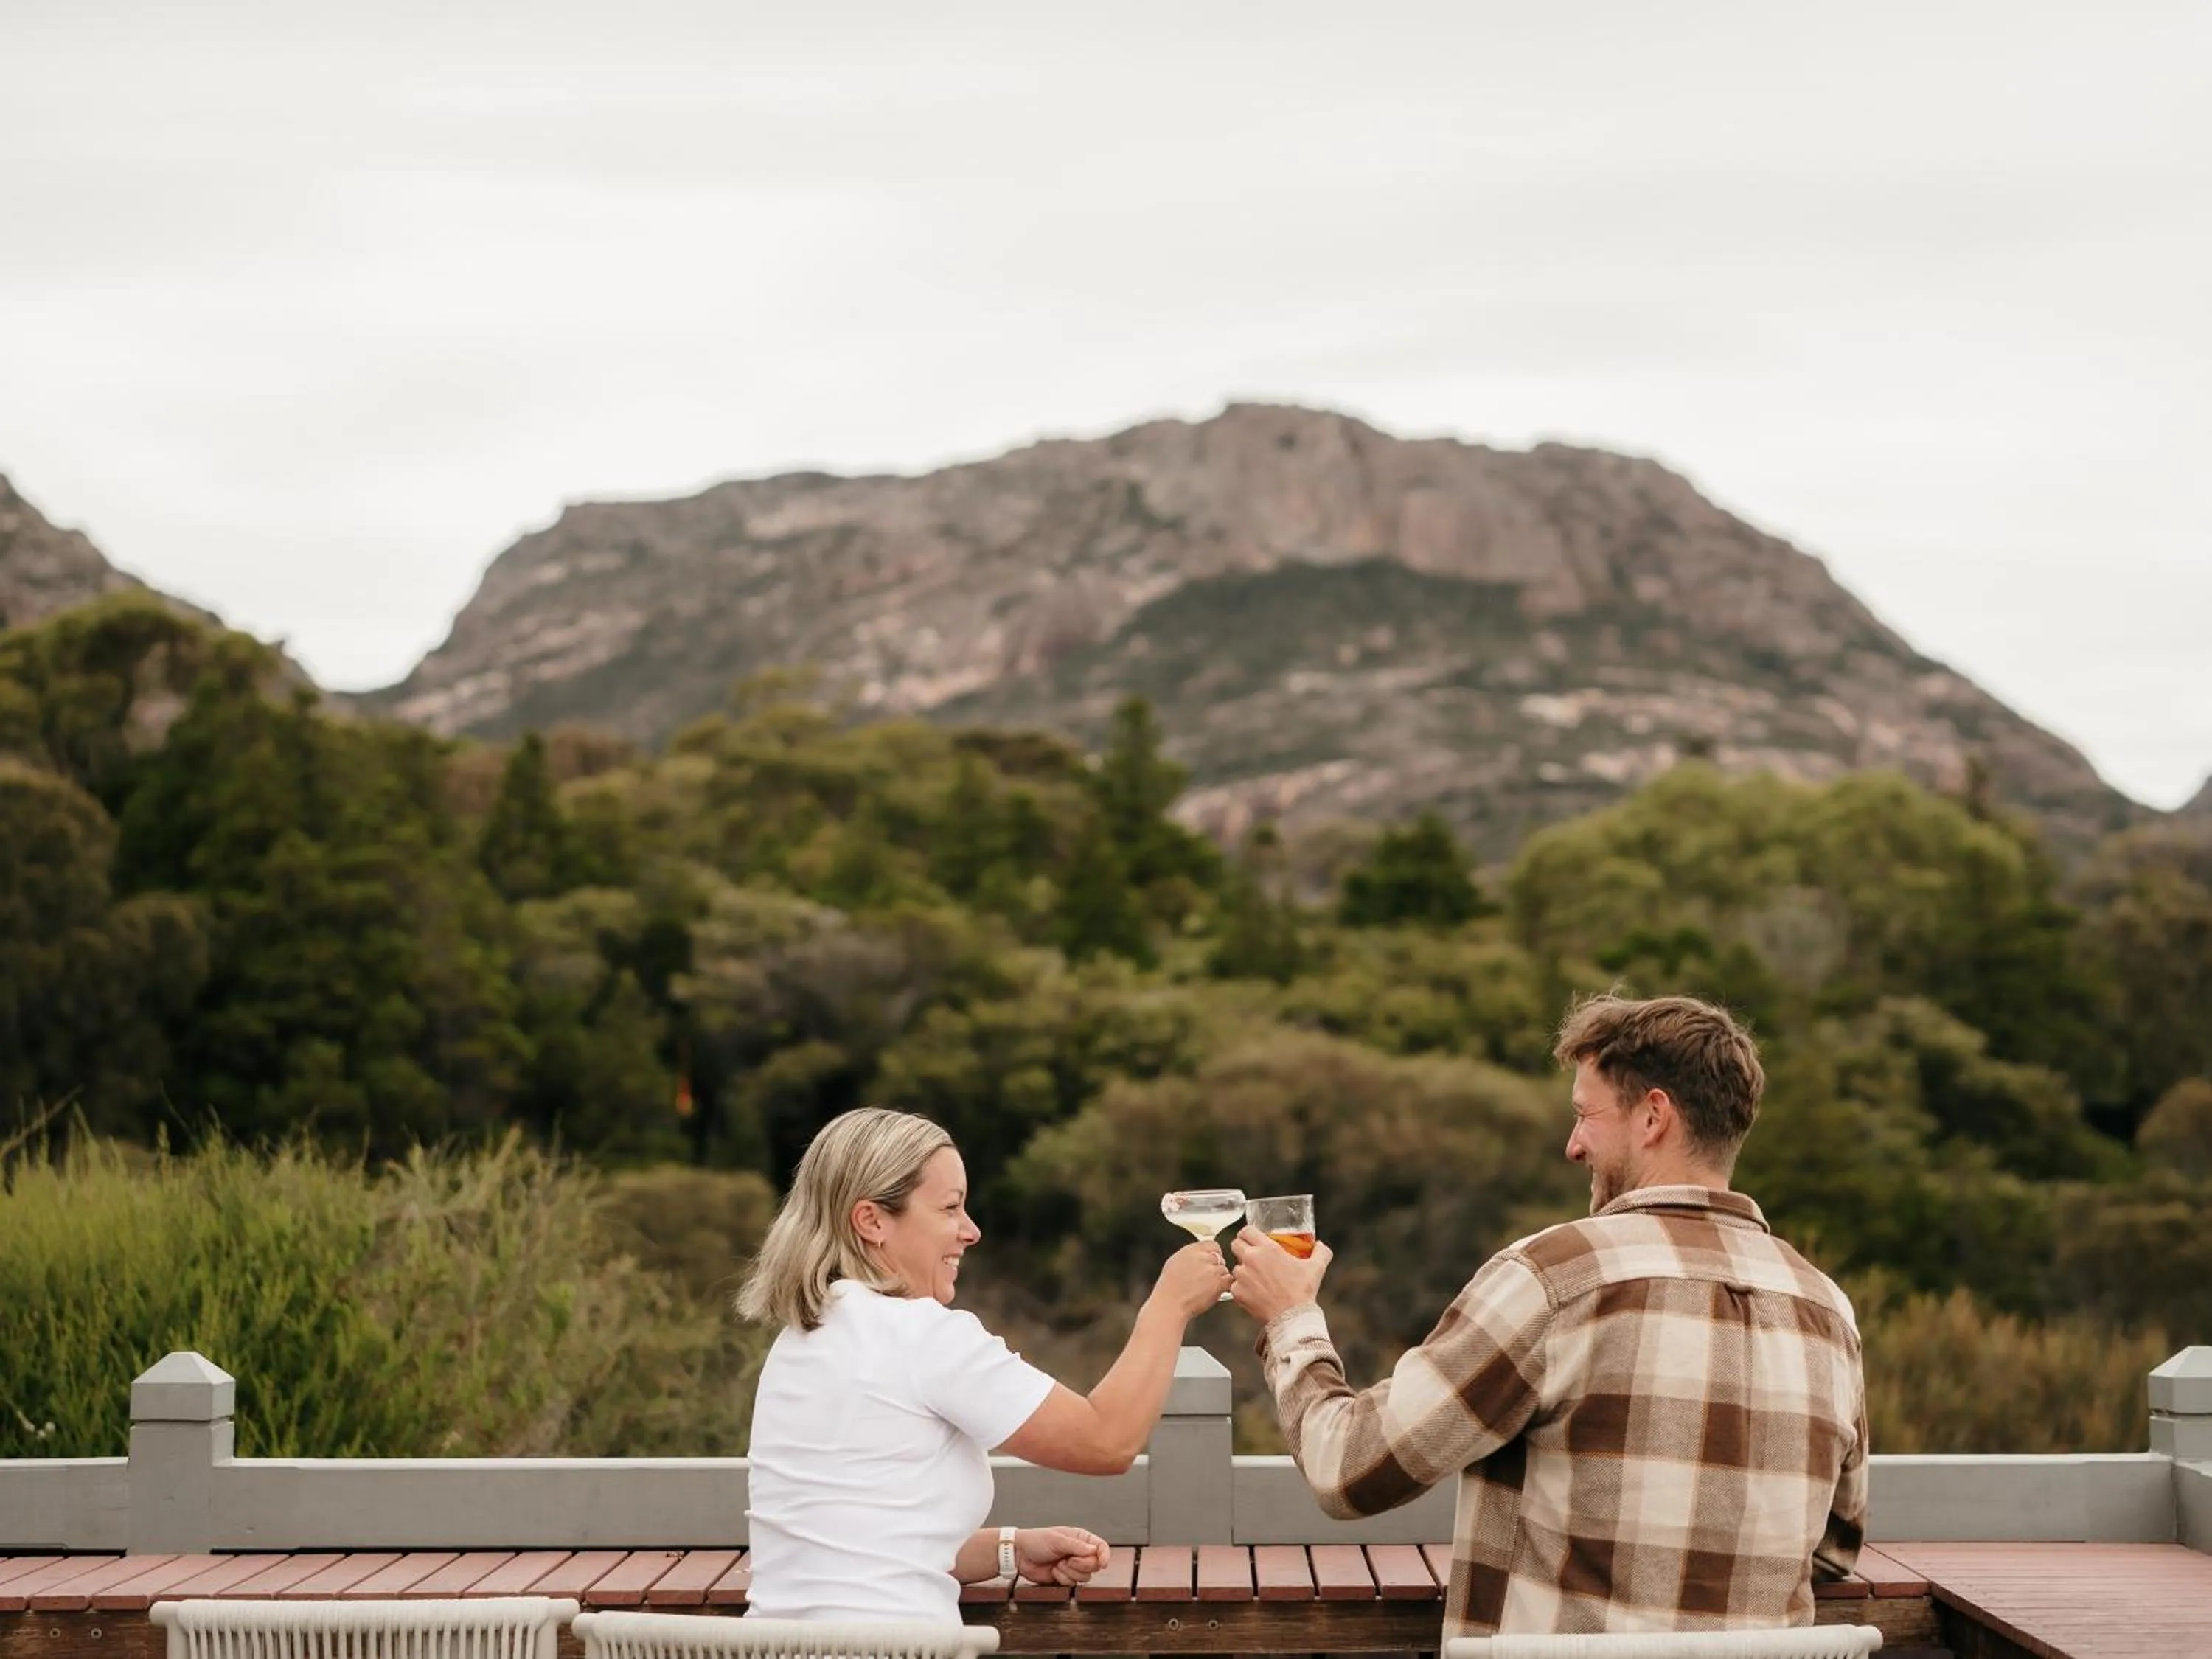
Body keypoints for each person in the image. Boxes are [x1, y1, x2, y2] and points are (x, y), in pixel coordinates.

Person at [1229, 993, 1868, 1639]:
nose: (1572, 1145)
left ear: (1653, 1117)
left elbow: (1349, 1468)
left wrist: (1291, 1318)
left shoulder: (1556, 1277)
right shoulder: (1826, 1308)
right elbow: (1833, 1551)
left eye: (1585, 1116)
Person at [737, 1106, 1229, 1624]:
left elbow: (856, 1548)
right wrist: (1170, 1306)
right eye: (950, 1208)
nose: (971, 1231)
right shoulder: (923, 1335)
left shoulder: (801, 1339)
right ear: (872, 1221)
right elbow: (1107, 1443)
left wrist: (1008, 1550)